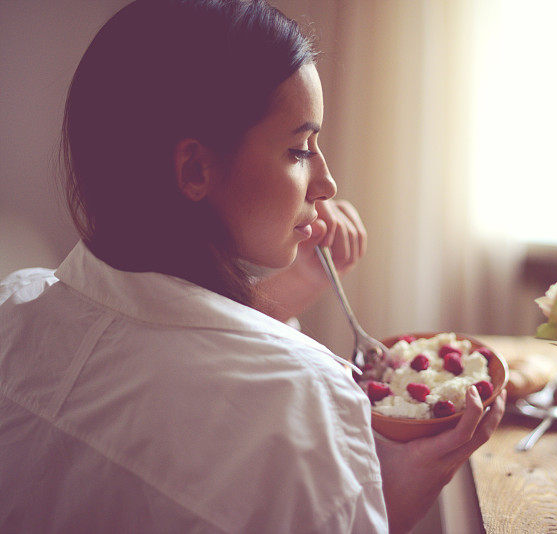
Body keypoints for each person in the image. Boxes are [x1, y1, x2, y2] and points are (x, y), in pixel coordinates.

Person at [0, 1, 506, 532]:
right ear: (194, 168)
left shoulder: (14, 309)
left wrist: (294, 287)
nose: (327, 184)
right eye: (299, 149)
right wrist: (415, 480)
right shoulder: (297, 399)